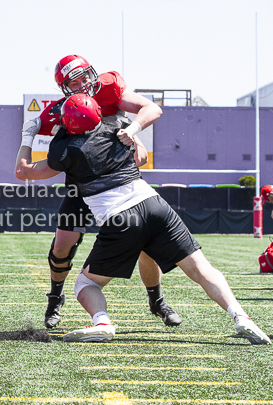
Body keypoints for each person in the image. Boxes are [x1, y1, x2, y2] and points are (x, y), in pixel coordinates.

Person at [15, 94, 270, 345]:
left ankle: (102, 322)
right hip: (154, 205)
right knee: (202, 269)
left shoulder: (64, 149)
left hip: (120, 218)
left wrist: (28, 135)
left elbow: (23, 171)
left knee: (85, 284)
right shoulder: (117, 126)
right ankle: (241, 316)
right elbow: (142, 156)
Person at [29, 54, 181, 329]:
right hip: (82, 183)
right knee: (62, 245)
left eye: (85, 76)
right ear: (65, 88)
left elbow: (150, 111)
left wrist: (131, 131)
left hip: (118, 180)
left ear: (92, 72)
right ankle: (55, 296)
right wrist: (32, 133)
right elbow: (45, 140)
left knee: (147, 245)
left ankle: (156, 299)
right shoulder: (56, 111)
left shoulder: (110, 87)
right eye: (74, 82)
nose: (84, 84)